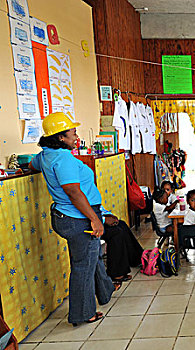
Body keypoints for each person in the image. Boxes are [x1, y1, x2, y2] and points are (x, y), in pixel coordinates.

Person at [30, 112, 117, 326]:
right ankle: (83, 313)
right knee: (83, 266)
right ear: (60, 137)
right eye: (73, 133)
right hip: (77, 218)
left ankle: (105, 291)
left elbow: (32, 166)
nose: (76, 136)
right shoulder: (63, 158)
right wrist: (95, 219)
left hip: (64, 215)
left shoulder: (46, 155)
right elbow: (73, 192)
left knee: (92, 256)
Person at [100, 206, 143, 282]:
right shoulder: (78, 196)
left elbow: (101, 209)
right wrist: (104, 220)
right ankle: (116, 273)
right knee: (116, 232)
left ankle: (136, 259)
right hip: (88, 225)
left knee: (122, 224)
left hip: (99, 220)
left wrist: (111, 216)